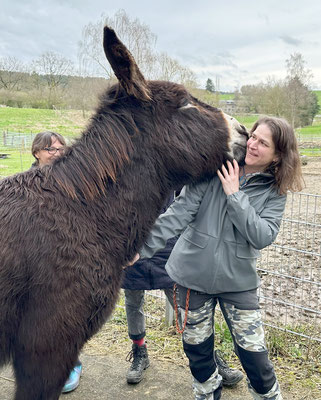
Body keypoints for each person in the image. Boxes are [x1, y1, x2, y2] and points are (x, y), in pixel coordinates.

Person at [135, 116, 304, 400]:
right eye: (253, 136)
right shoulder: (215, 168)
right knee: (198, 351)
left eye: (263, 143)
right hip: (192, 276)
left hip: (238, 281)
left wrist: (235, 195)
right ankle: (207, 394)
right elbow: (178, 213)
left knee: (255, 356)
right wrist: (140, 248)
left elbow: (262, 235)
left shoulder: (275, 191)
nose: (252, 144)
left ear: (278, 155)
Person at [123, 195, 244, 387]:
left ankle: (209, 360)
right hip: (131, 243)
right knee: (133, 300)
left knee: (186, 309)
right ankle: (139, 352)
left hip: (166, 244)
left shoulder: (169, 167)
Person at [31, 131, 82, 394]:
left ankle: (72, 363)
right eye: (51, 150)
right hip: (35, 261)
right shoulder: (22, 184)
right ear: (37, 152)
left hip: (66, 259)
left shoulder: (73, 181)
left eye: (61, 149)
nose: (57, 154)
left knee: (68, 316)